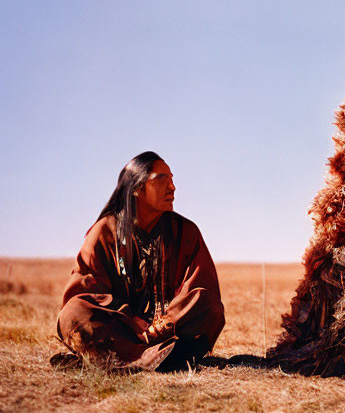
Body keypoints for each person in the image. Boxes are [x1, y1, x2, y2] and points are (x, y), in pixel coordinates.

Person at [55, 151, 225, 370]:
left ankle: (115, 360)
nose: (172, 187)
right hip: (121, 328)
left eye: (172, 180)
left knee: (208, 305)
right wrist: (130, 319)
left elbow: (201, 286)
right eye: (162, 179)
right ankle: (146, 358)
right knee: (74, 312)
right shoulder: (104, 232)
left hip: (168, 330)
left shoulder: (186, 232)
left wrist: (167, 321)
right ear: (137, 188)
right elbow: (83, 291)